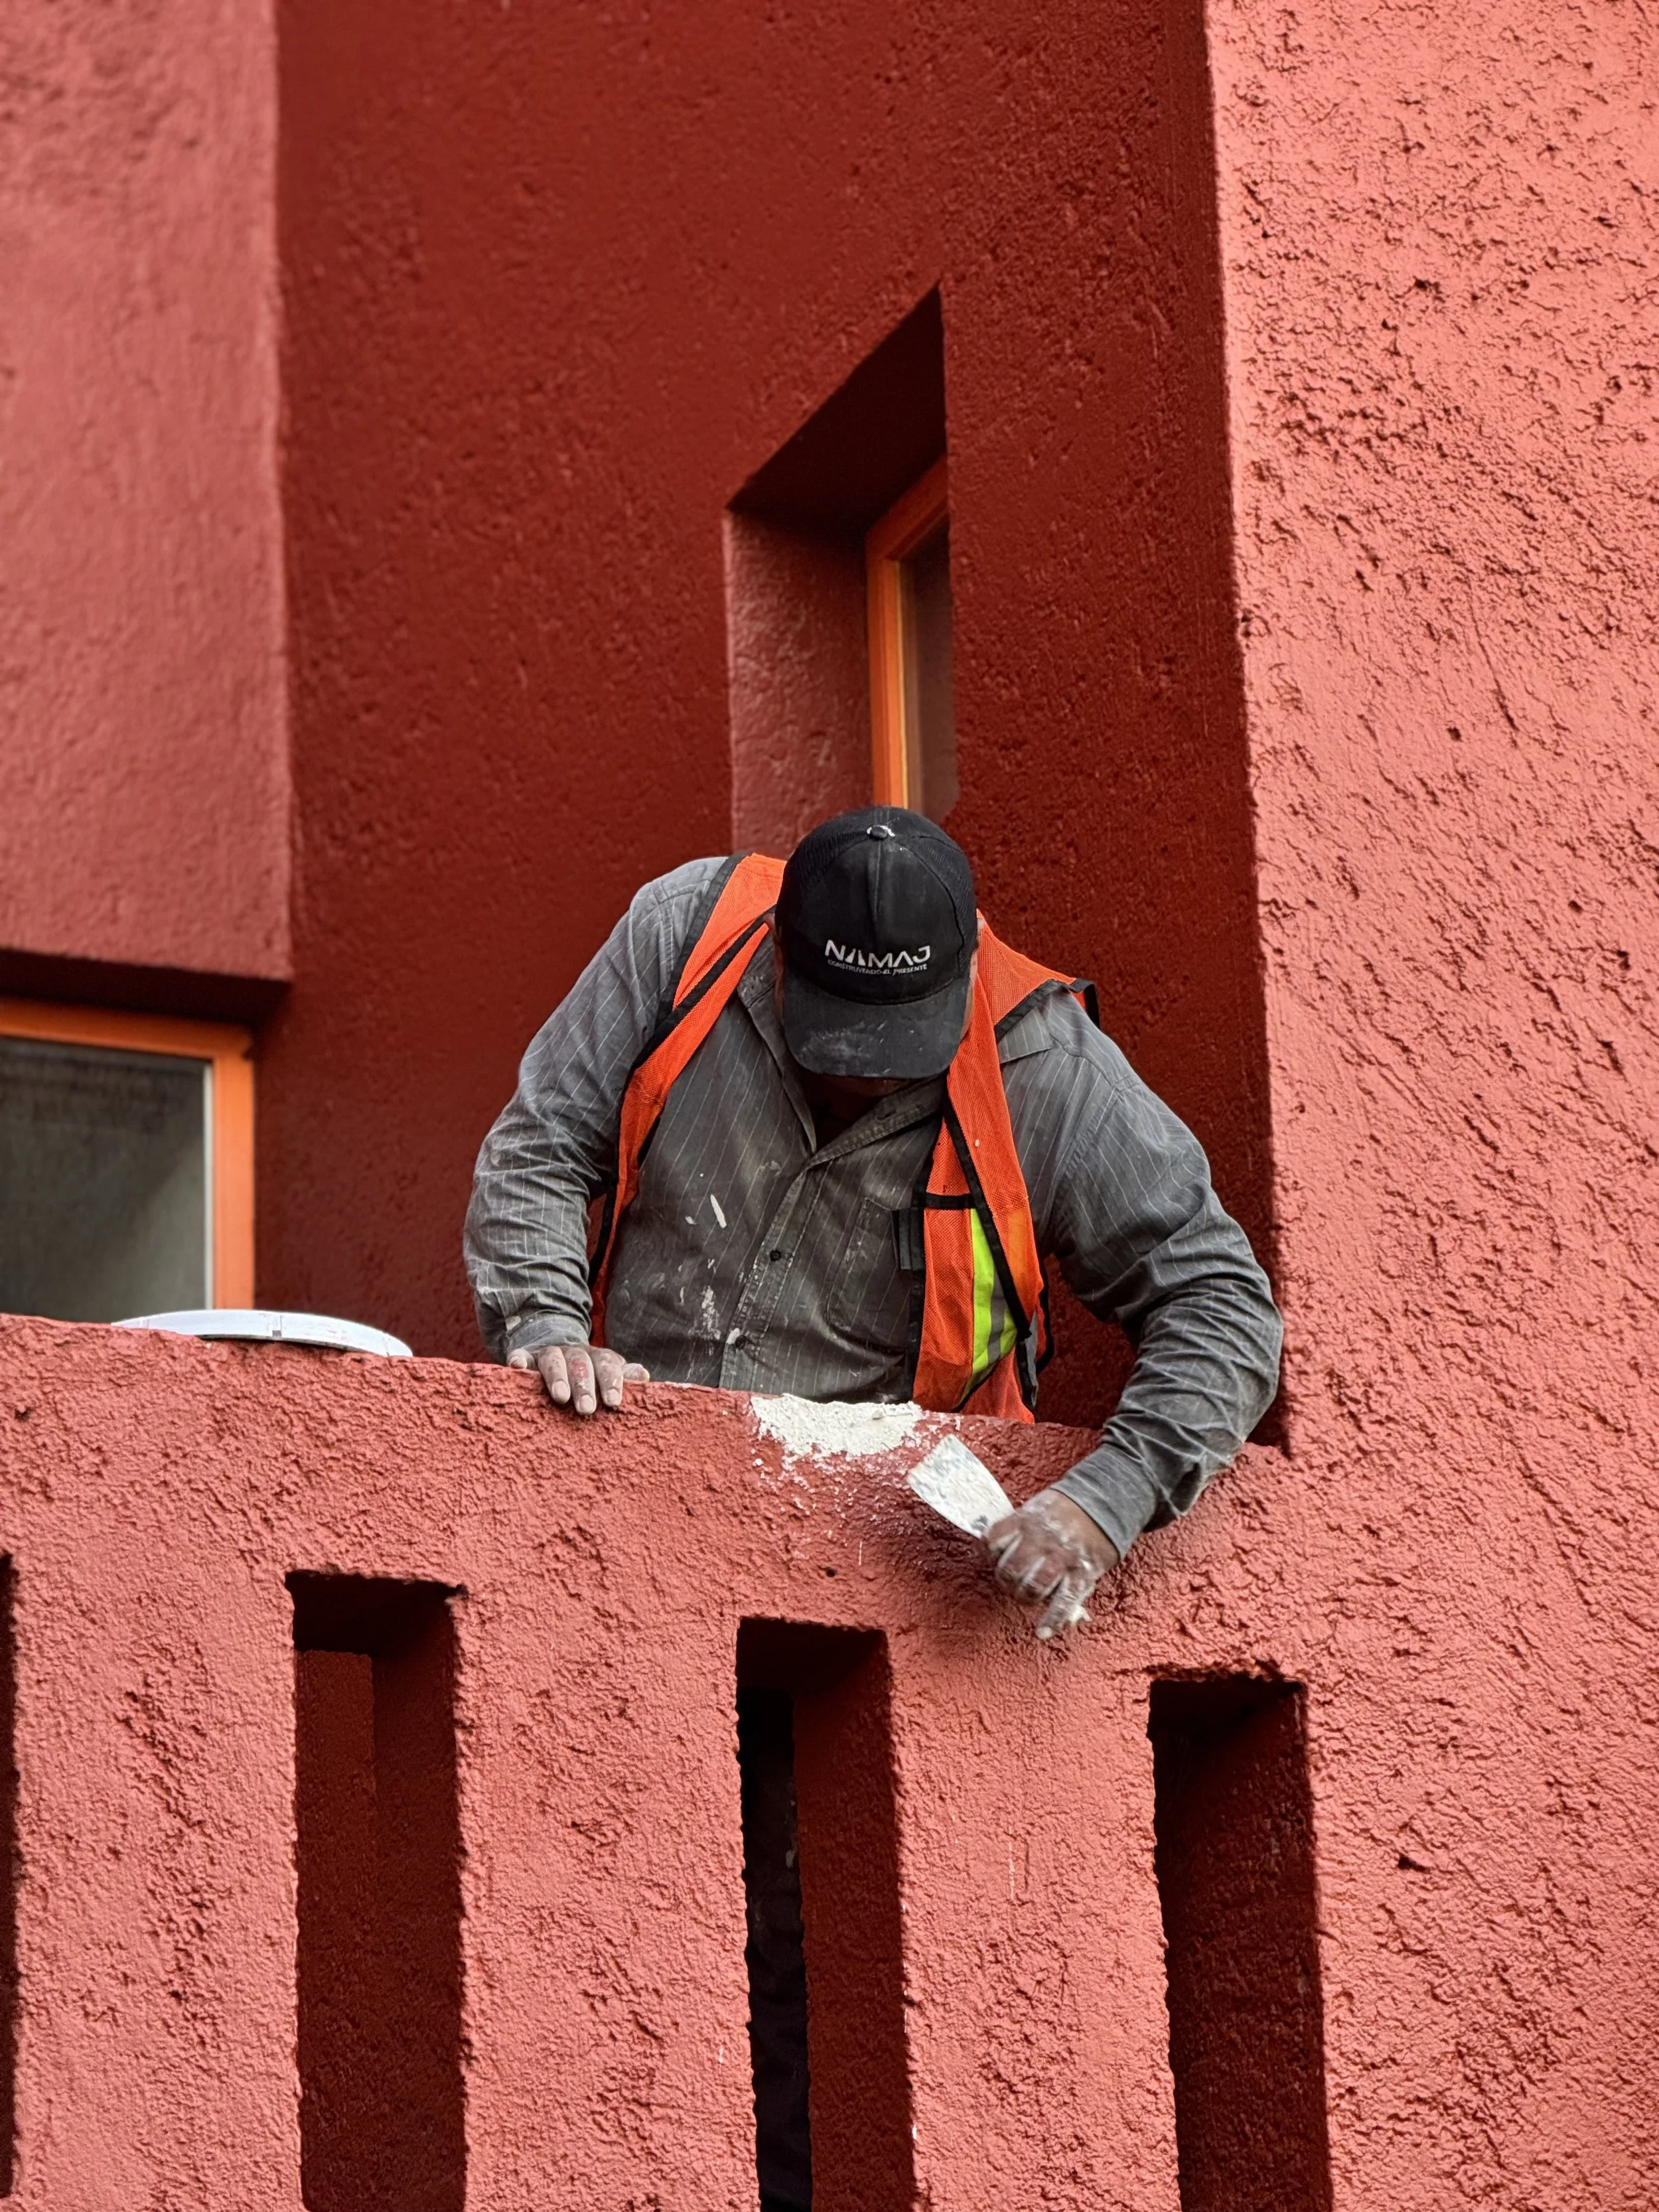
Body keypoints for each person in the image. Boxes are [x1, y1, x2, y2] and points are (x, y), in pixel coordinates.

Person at [466, 806, 1282, 1630]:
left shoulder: (1047, 1069)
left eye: (901, 1049)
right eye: (840, 1041)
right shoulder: (687, 935)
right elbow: (541, 1144)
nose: (870, 1081)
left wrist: (1105, 1502)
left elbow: (1221, 1305)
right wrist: (544, 1324)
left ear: (966, 973)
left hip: (875, 1579)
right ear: (776, 955)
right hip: (625, 1512)